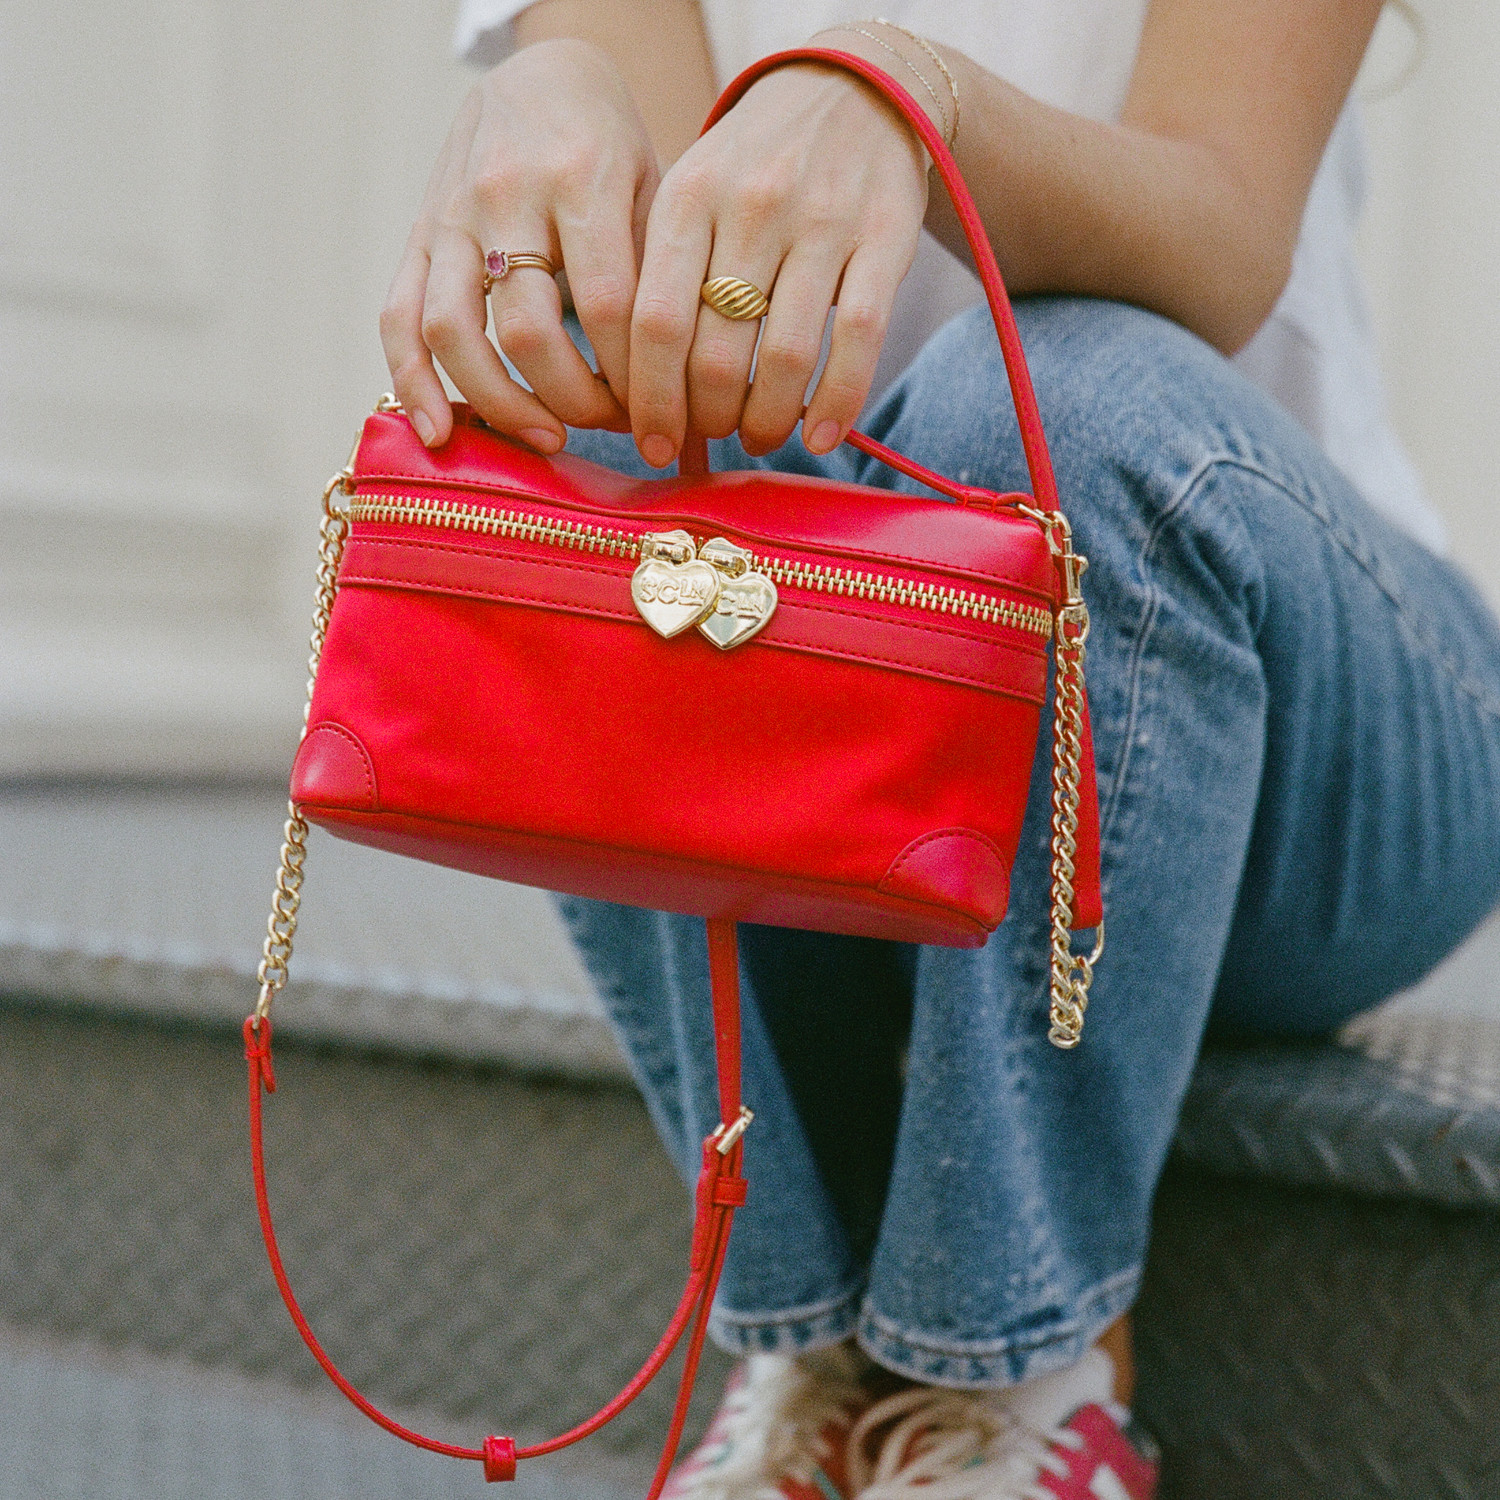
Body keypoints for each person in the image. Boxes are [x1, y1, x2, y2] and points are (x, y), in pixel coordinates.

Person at [381, 2, 1500, 1495]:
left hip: (1289, 756)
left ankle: (1022, 1381)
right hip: (873, 752)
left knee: (1042, 392)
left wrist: (907, 100)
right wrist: (556, 84)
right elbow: (654, 321)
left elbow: (1220, 236)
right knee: (578, 396)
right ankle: (819, 1348)